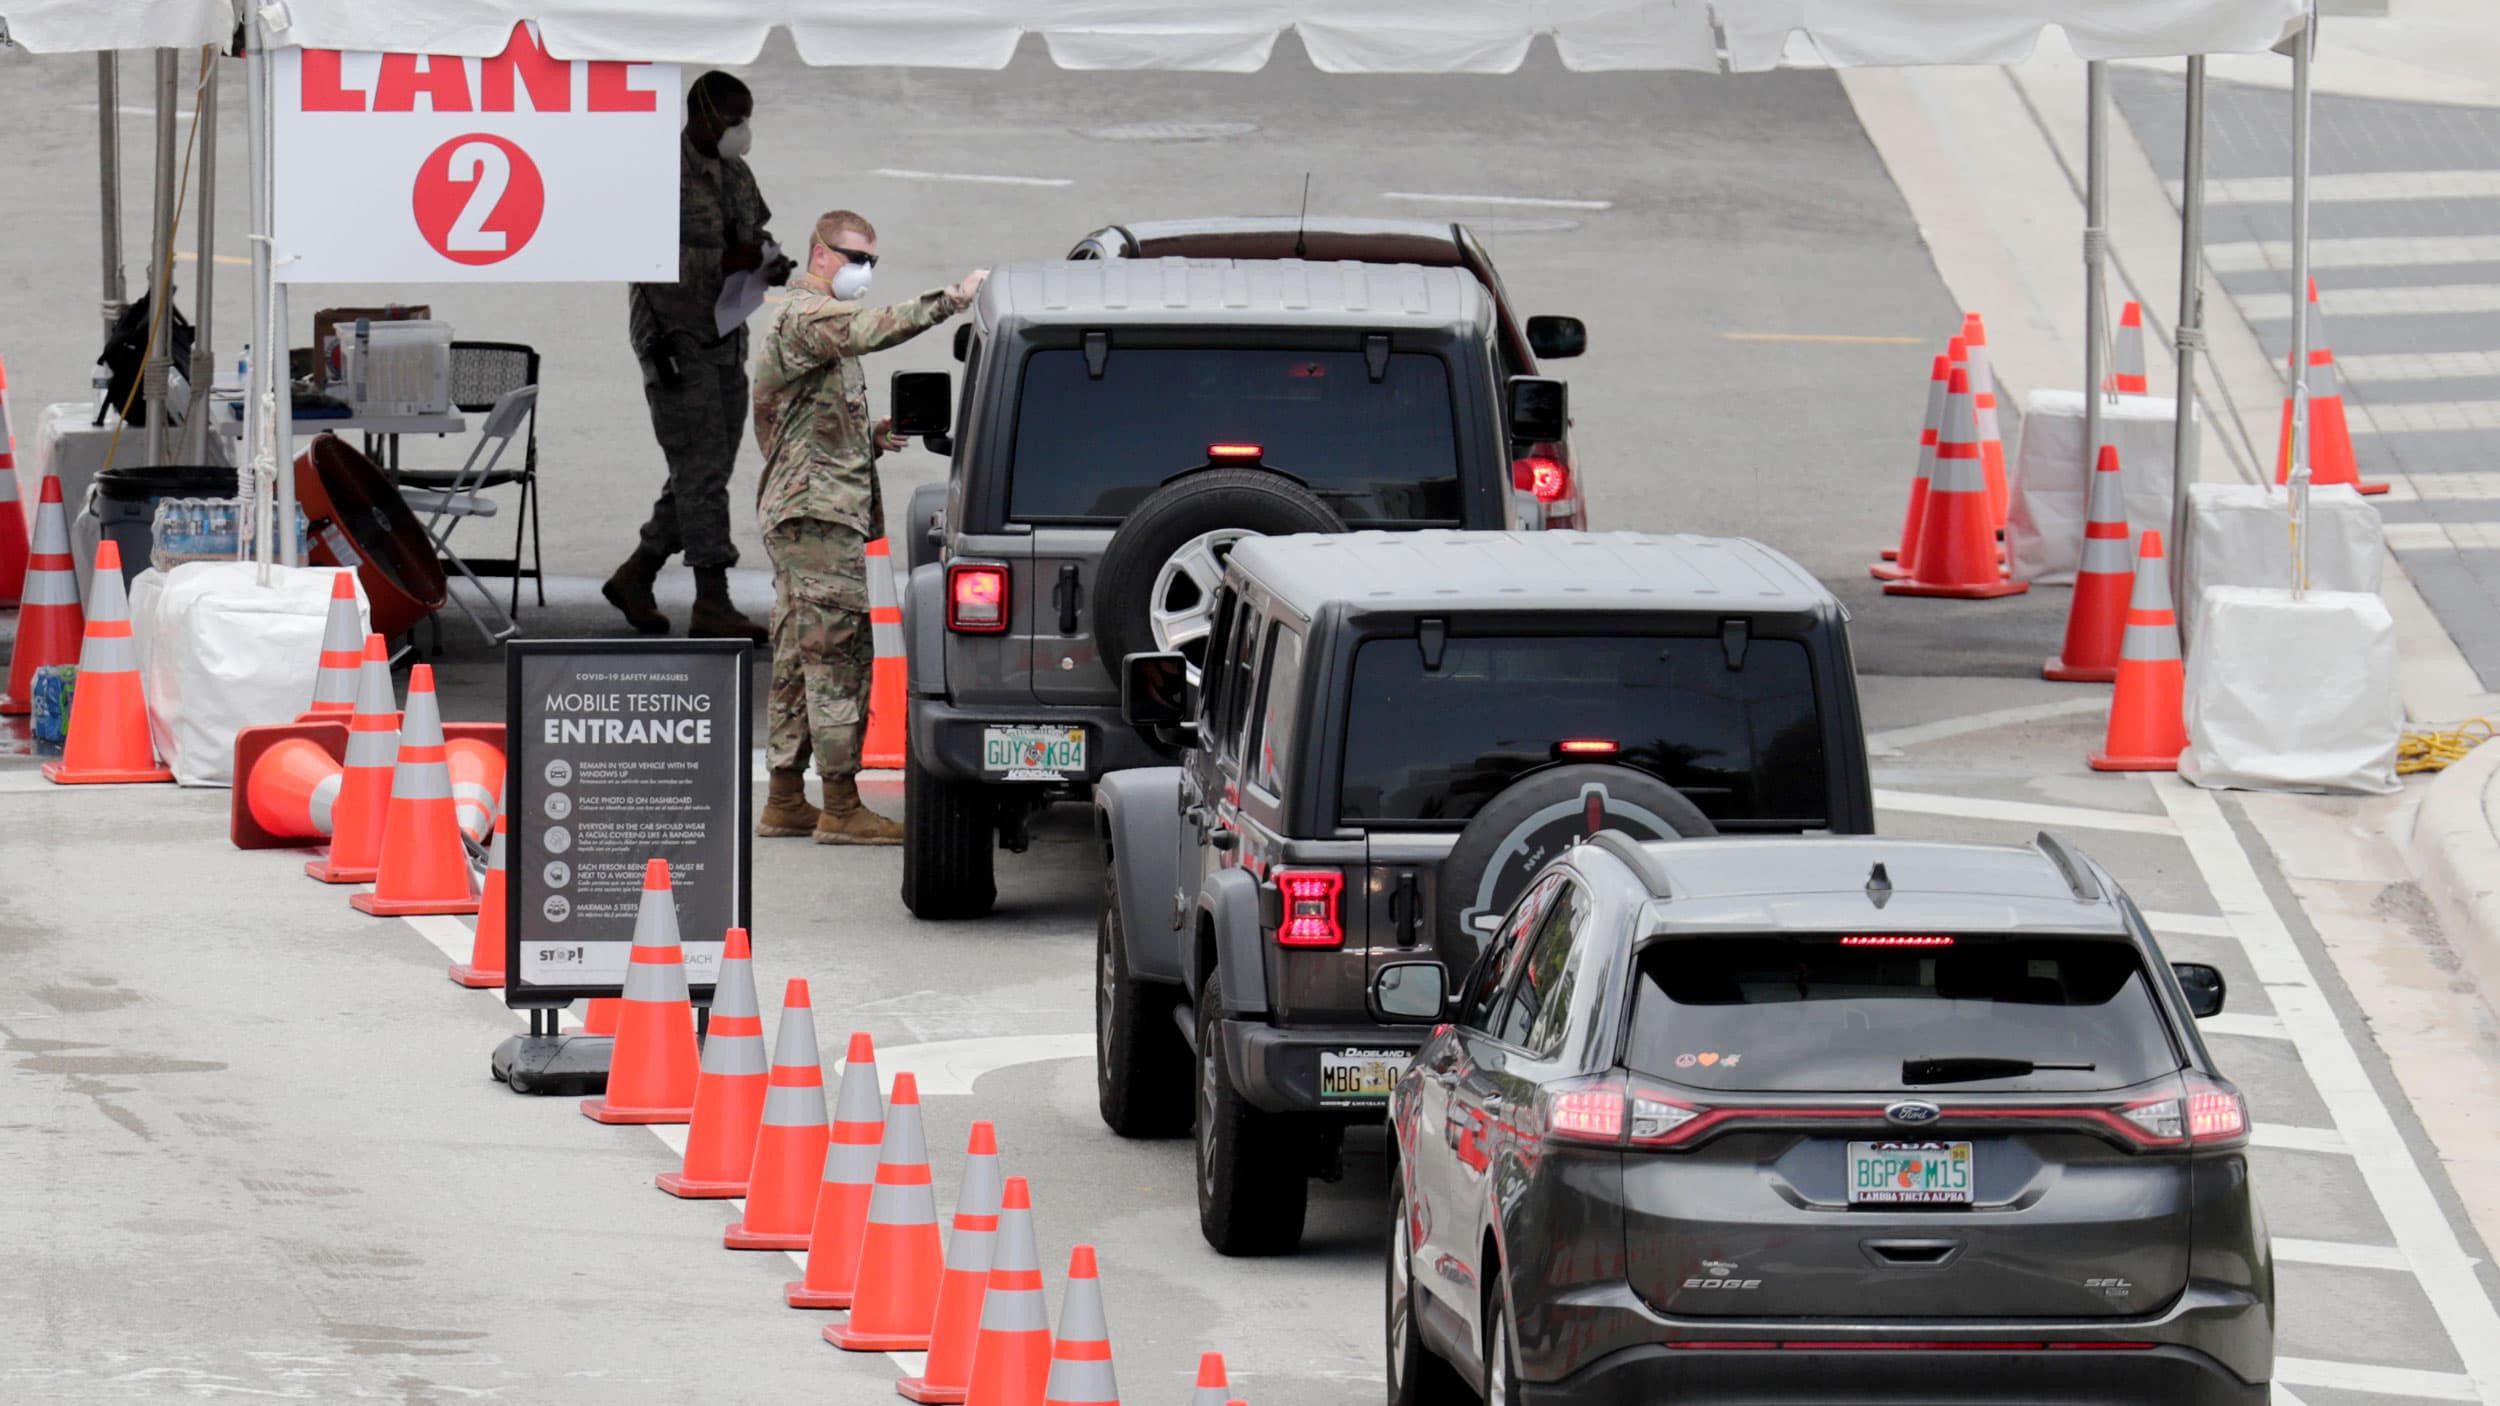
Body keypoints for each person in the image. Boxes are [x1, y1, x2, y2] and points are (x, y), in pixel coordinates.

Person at [751, 210, 986, 843]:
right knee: (837, 655)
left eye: (872, 261)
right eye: (854, 258)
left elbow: (803, 425)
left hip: (811, 509)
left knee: (802, 654)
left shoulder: (811, 329)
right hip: (817, 516)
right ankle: (839, 805)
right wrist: (953, 300)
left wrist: (872, 435)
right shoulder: (807, 316)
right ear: (819, 254)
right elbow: (871, 328)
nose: (864, 271)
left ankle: (784, 797)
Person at [605, 70, 793, 643]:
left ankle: (637, 573)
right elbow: (644, 259)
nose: (742, 130)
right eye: (734, 118)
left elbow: (755, 230)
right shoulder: (660, 175)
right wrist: (725, 264)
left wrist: (767, 261)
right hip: (674, 338)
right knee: (701, 468)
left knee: (705, 466)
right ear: (702, 112)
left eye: (746, 118)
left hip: (724, 331)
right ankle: (712, 597)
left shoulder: (735, 171)